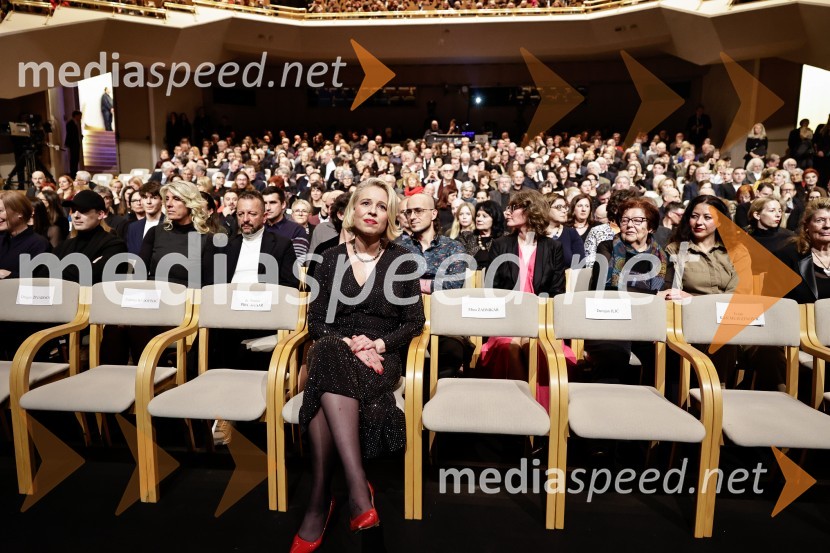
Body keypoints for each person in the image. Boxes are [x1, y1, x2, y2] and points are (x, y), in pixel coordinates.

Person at [292, 178, 424, 553]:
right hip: (339, 348)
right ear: (351, 211)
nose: (373, 211)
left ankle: (320, 502)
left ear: (390, 218)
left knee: (324, 372)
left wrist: (379, 344)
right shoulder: (329, 259)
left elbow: (414, 322)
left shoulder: (401, 260)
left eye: (382, 207)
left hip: (381, 359)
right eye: (366, 203)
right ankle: (356, 490)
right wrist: (350, 344)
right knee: (329, 349)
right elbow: (316, 322)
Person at [477, 190, 566, 409]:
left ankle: (544, 417)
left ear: (530, 210)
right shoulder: (500, 245)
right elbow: (492, 289)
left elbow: (557, 292)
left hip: (541, 321)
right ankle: (521, 410)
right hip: (507, 320)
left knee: (536, 348)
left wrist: (535, 321)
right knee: (510, 347)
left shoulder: (552, 247)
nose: (507, 212)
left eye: (513, 207)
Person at [664, 195, 752, 385]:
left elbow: (741, 294)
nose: (699, 222)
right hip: (693, 322)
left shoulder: (737, 251)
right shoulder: (676, 250)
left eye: (707, 217)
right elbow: (674, 294)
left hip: (733, 318)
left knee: (771, 350)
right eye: (694, 216)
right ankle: (715, 398)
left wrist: (695, 299)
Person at [587, 198, 672, 384]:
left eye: (637, 221)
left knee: (669, 356)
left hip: (646, 324)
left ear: (651, 228)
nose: (629, 225)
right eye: (625, 220)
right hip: (609, 321)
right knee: (613, 355)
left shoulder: (663, 257)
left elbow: (665, 293)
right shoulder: (607, 248)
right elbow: (605, 288)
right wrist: (652, 296)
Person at [34, 190, 128, 284]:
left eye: (83, 210)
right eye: (73, 210)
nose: (76, 215)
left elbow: (95, 276)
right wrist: (84, 268)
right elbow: (42, 275)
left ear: (100, 214)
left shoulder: (114, 244)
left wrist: (57, 269)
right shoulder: (64, 246)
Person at [139, 180, 212, 287]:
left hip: (188, 299)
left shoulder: (207, 239)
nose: (168, 204)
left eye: (176, 199)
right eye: (167, 199)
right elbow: (139, 274)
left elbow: (209, 286)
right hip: (155, 297)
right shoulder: (155, 233)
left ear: (190, 203)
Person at [0, 191, 50, 280]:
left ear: (20, 213)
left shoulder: (39, 244)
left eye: (0, 211)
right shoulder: (2, 239)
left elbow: (42, 281)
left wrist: (11, 275)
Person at [455, 200, 505, 271]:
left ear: (495, 218)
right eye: (478, 216)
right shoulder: (466, 238)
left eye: (484, 216)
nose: (479, 219)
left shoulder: (505, 239)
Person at [126, 181, 164, 255]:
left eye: (153, 198)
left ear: (162, 200)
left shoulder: (170, 225)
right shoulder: (133, 227)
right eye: (145, 197)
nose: (148, 202)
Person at [546, 193, 584, 267]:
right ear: (546, 208)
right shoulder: (536, 233)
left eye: (565, 207)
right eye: (559, 207)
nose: (564, 211)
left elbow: (580, 265)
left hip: (567, 277)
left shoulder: (571, 234)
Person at [65, 111, 83, 176]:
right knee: (73, 159)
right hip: (73, 144)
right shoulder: (70, 123)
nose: (80, 118)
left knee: (76, 159)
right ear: (76, 116)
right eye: (80, 116)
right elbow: (70, 135)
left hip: (75, 144)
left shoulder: (75, 123)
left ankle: (74, 172)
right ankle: (73, 173)